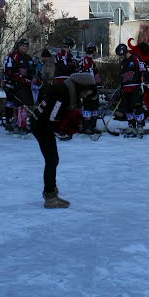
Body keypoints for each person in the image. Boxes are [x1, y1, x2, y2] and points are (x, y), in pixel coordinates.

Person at [31, 72, 98, 208]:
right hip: (41, 125)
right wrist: (61, 129)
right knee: (52, 159)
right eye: (86, 93)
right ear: (81, 87)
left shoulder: (67, 90)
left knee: (53, 159)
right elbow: (52, 117)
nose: (85, 96)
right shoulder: (63, 92)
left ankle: (51, 191)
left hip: (42, 123)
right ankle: (50, 196)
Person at [4, 39, 34, 134]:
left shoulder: (28, 58)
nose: (25, 48)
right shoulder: (14, 56)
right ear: (18, 46)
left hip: (26, 85)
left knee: (22, 105)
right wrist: (19, 79)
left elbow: (32, 71)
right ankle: (19, 125)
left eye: (26, 46)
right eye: (23, 46)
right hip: (15, 85)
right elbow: (9, 71)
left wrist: (34, 78)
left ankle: (19, 123)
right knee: (19, 104)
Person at [117, 42, 143, 137]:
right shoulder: (123, 63)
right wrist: (121, 87)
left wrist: (143, 84)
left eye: (120, 55)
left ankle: (140, 126)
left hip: (135, 87)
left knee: (137, 107)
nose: (120, 57)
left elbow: (142, 70)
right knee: (127, 108)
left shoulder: (135, 58)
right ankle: (131, 125)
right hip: (126, 89)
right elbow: (121, 77)